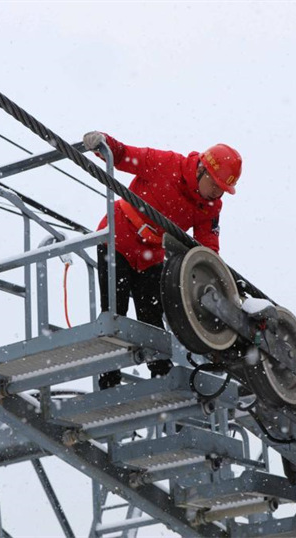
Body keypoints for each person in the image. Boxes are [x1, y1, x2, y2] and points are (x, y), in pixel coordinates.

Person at [82, 131, 242, 390]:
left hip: (151, 256)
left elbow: (207, 249)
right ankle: (108, 379)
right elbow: (123, 155)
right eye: (215, 185)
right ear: (201, 170)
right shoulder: (166, 164)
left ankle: (161, 378)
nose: (217, 194)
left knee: (152, 318)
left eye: (222, 190)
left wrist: (214, 287)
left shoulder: (210, 206)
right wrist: (103, 143)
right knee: (114, 311)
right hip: (117, 240)